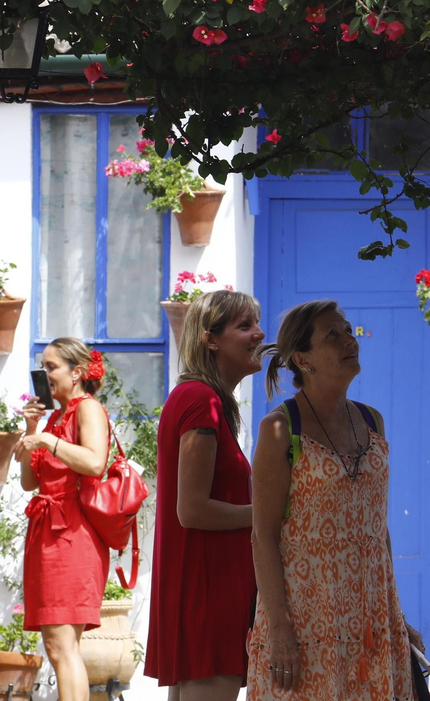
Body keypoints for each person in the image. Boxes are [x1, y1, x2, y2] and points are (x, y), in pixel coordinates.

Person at [247, 300, 424, 700]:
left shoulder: (372, 421)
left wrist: (395, 613)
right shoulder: (279, 428)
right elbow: (263, 535)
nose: (350, 340)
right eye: (333, 334)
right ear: (302, 358)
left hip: (371, 620)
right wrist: (279, 628)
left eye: (348, 330)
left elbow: (377, 526)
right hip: (308, 620)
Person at [146, 289, 265, 701]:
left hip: (204, 587)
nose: (259, 334)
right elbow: (192, 510)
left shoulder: (205, 400)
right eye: (245, 326)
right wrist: (269, 512)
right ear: (210, 339)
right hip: (208, 591)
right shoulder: (201, 401)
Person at [16, 337, 112, 701]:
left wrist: (46, 442)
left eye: (51, 366)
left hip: (72, 534)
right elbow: (29, 482)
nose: (45, 374)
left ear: (77, 372)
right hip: (48, 534)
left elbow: (94, 462)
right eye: (43, 367)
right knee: (58, 646)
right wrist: (32, 430)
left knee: (61, 646)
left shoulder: (88, 409)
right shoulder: (55, 418)